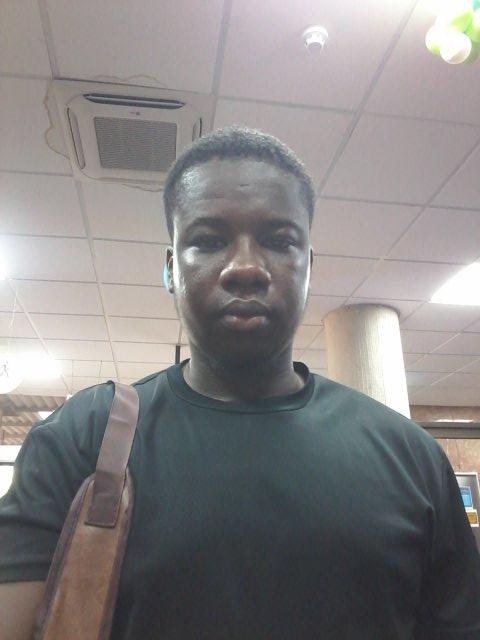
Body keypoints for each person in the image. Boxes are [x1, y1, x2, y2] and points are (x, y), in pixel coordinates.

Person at [1, 125, 479, 640]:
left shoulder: (411, 458)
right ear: (170, 271)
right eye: (208, 241)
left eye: (279, 241)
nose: (246, 267)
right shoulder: (85, 437)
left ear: (309, 267)